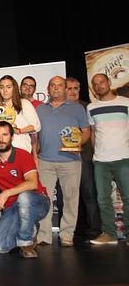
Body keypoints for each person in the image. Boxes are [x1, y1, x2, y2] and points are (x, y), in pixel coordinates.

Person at [35, 76, 90, 247]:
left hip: (71, 161)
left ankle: (67, 235)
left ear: (65, 88)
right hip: (45, 161)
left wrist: (77, 143)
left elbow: (86, 131)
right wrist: (34, 156)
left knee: (71, 198)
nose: (56, 88)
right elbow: (35, 136)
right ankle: (44, 235)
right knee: (44, 200)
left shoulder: (77, 108)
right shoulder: (40, 109)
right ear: (48, 88)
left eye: (59, 85)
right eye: (53, 85)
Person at [0, 121, 49, 258]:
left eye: (5, 135)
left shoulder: (23, 155)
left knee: (24, 197)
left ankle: (26, 242)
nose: (1, 139)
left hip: (37, 202)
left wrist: (6, 193)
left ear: (12, 137)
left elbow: (32, 183)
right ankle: (29, 227)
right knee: (1, 246)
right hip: (13, 207)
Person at [87, 73, 129, 245]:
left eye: (102, 82)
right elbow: (93, 134)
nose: (99, 86)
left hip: (124, 157)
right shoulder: (91, 107)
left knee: (128, 197)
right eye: (95, 84)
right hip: (101, 160)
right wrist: (95, 155)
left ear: (109, 83)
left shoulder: (125, 103)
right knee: (102, 199)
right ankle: (109, 234)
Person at [66, 77, 101, 239]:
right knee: (69, 195)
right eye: (69, 88)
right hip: (64, 158)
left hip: (84, 156)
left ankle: (95, 228)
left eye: (76, 88)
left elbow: (93, 132)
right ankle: (74, 228)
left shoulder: (88, 107)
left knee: (89, 193)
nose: (73, 91)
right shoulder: (59, 108)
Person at [0, 75, 40, 154]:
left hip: (21, 149)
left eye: (8, 87)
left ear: (14, 88)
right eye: (2, 87)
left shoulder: (24, 104)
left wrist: (19, 130)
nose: (5, 90)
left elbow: (36, 126)